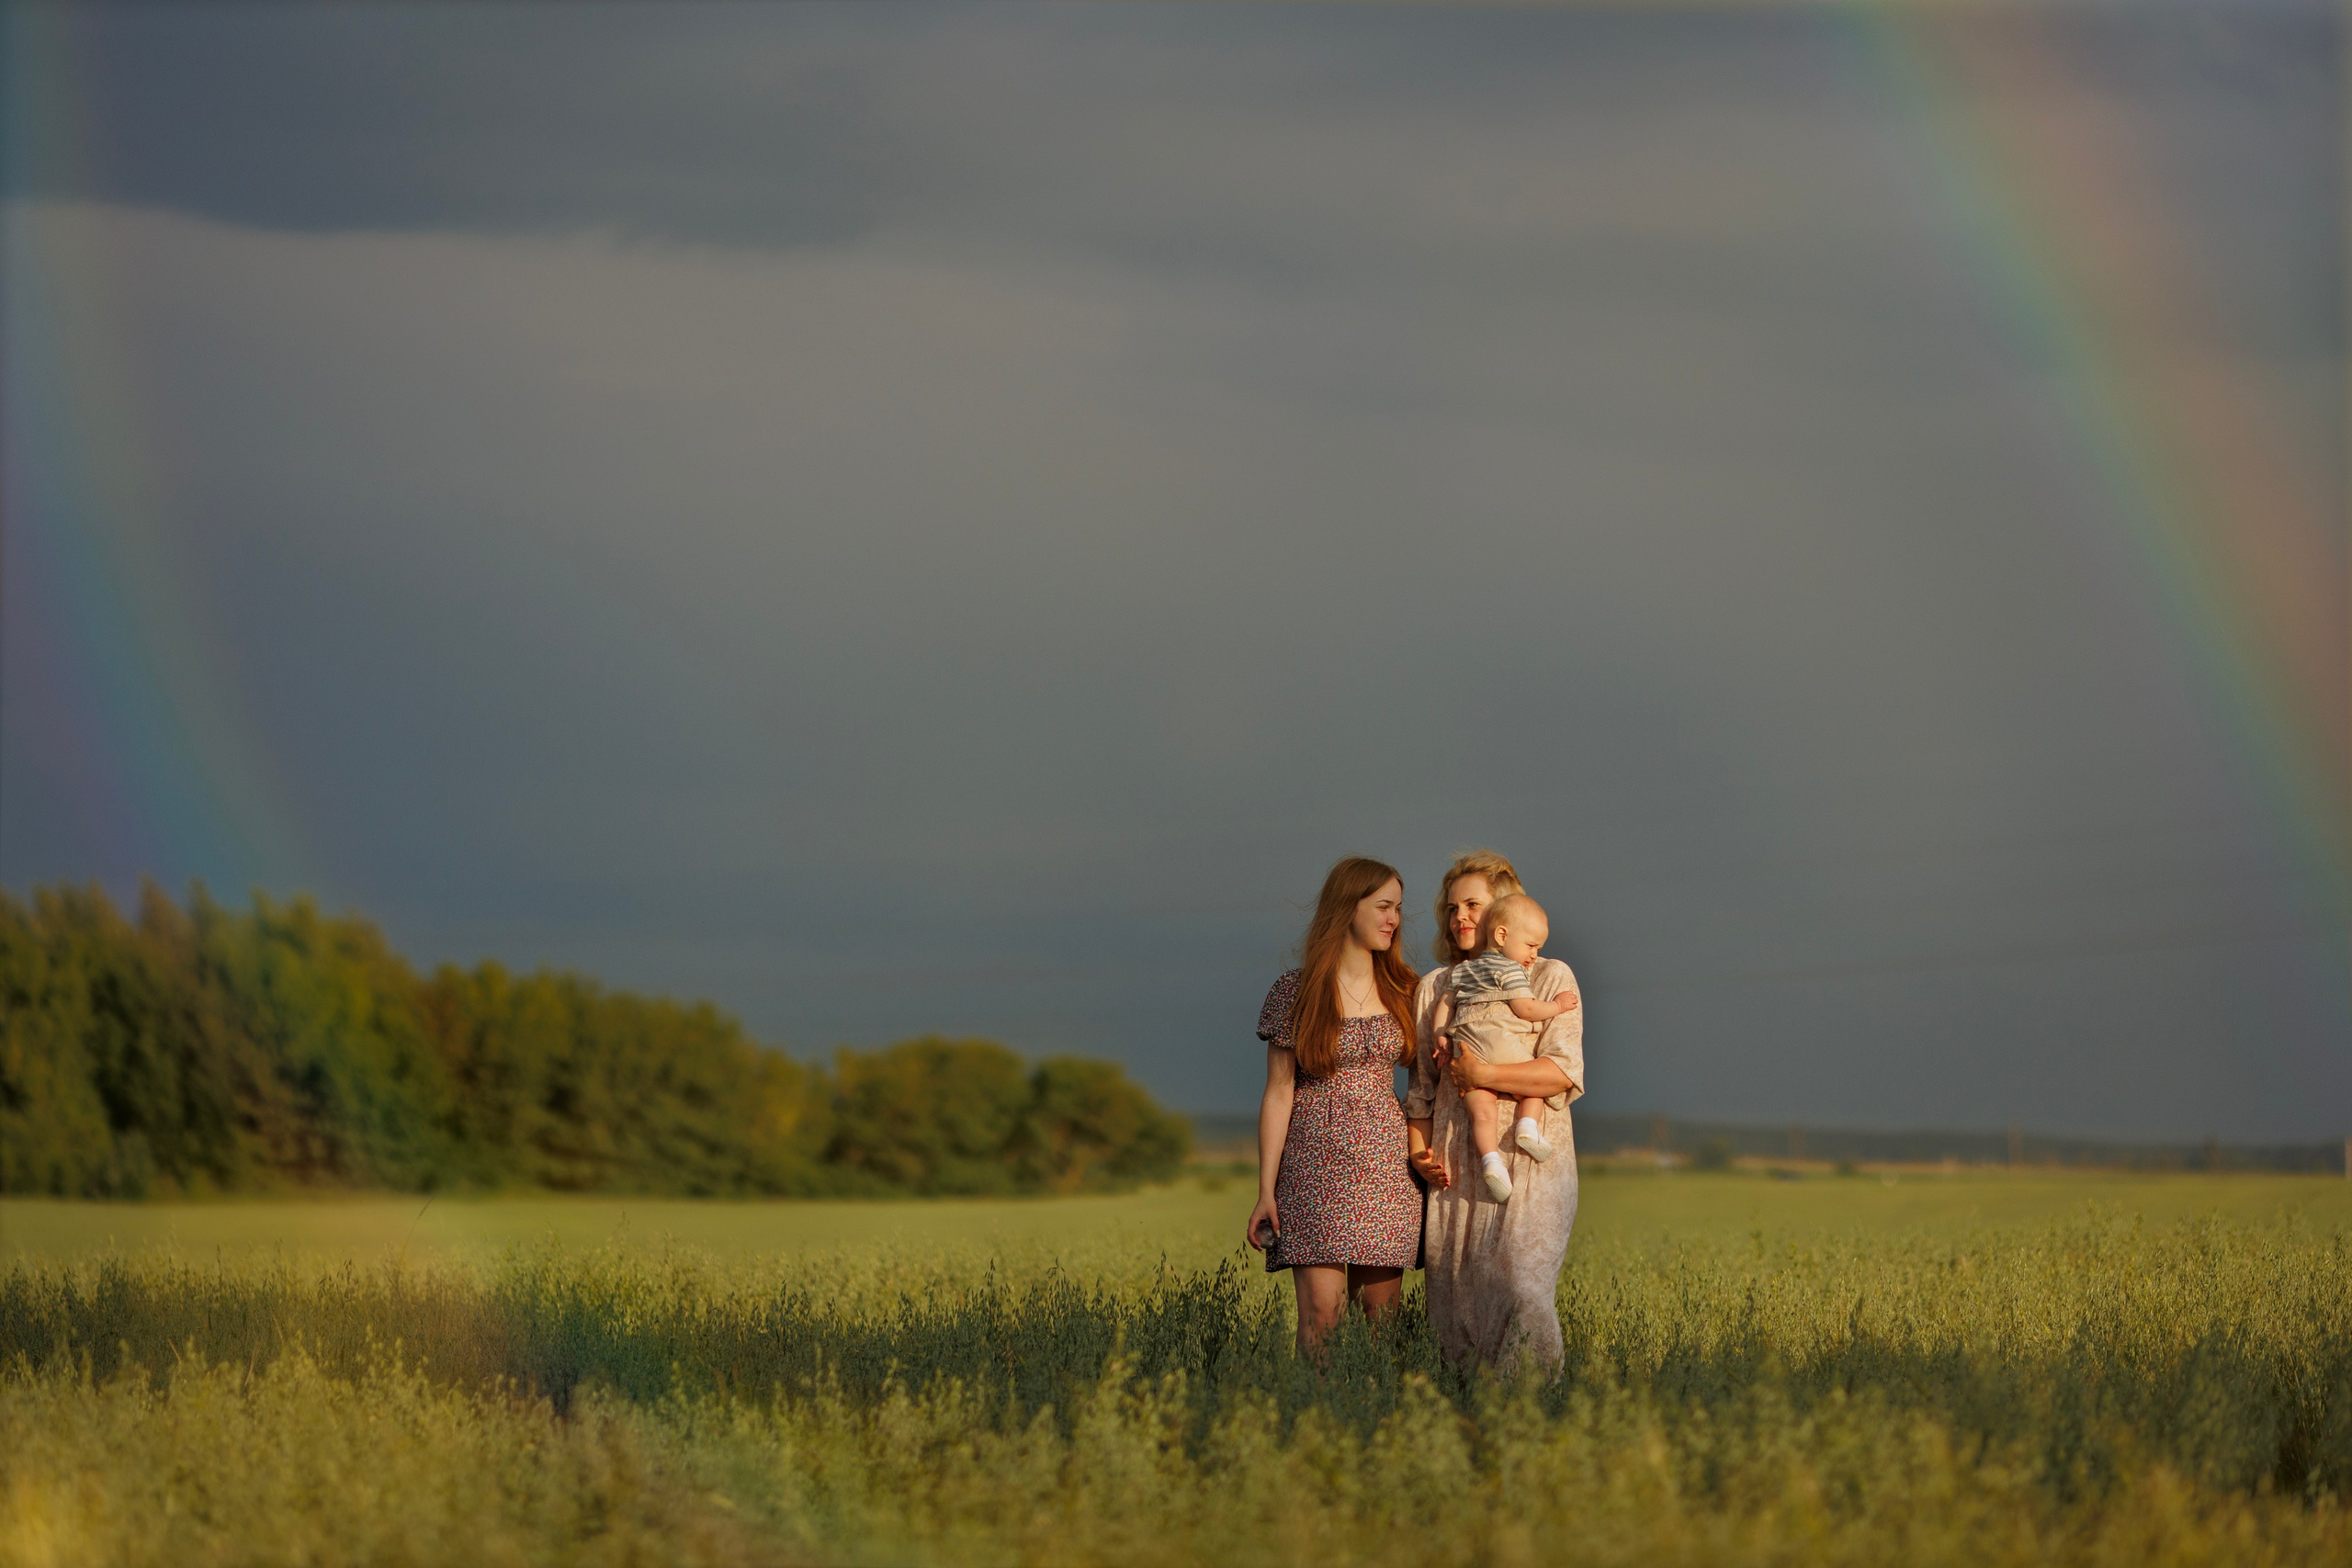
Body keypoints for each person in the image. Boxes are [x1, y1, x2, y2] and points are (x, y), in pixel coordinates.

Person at [1406, 851, 1585, 1371]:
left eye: (1472, 905)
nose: (1459, 917)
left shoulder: (1549, 975)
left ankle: (1533, 1410)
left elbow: (1561, 1072)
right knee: (1456, 1307)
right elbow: (1421, 1089)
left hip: (1530, 1160)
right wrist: (1418, 1153)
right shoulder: (1435, 986)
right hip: (1456, 1168)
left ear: (1504, 913)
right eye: (1452, 907)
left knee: (1523, 1292)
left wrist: (1482, 1075)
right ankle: (1465, 1415)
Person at [1244, 856, 1423, 1352]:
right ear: (1347, 907)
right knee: (1321, 1317)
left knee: (1382, 1324)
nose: (1393, 919)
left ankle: (1377, 1403)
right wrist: (1265, 1189)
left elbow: (1426, 1088)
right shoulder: (1295, 991)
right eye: (1383, 907)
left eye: (1398, 908)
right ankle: (1315, 1405)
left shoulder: (1407, 989)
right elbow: (1278, 1093)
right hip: (1312, 1168)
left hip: (1387, 1169)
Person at [1432, 892, 1578, 1201]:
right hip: (1501, 1040)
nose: (1534, 955)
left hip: (1467, 1049)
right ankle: (1527, 1127)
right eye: (1531, 946)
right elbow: (1526, 1009)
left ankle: (1491, 1162)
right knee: (1532, 1087)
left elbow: (1446, 1002)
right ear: (1501, 935)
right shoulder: (1511, 969)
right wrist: (1557, 1005)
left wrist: (1441, 1035)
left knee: (1481, 1115)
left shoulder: (1463, 970)